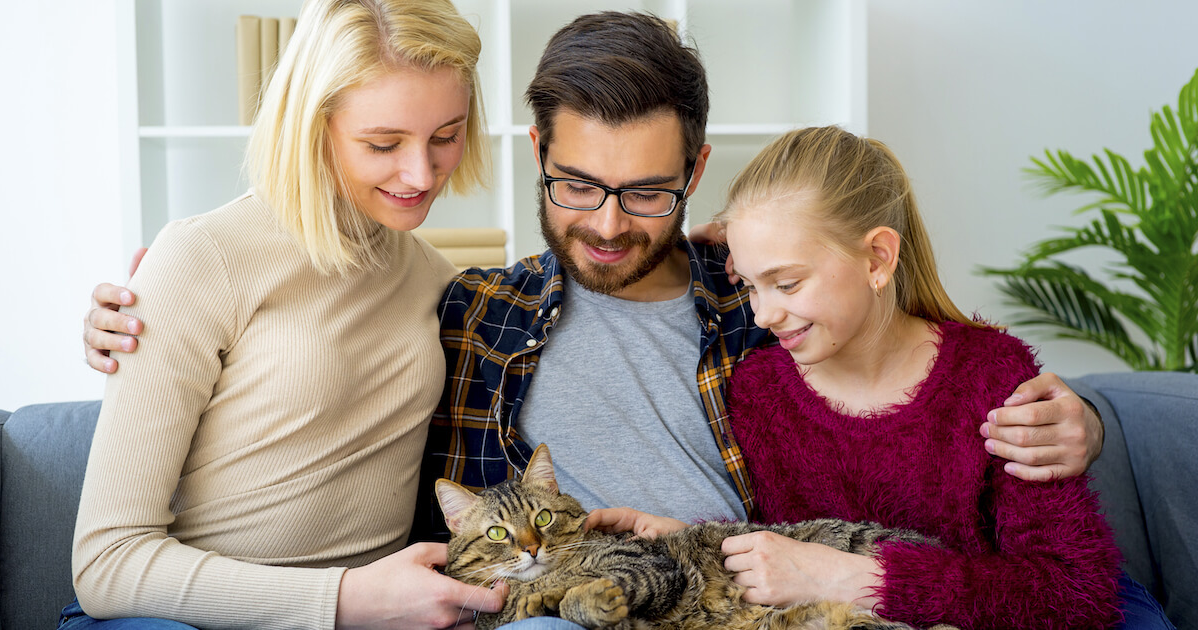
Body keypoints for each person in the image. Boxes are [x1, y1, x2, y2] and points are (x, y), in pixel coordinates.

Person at [82, 8, 1104, 624]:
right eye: (577, 184)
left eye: (649, 193)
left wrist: (1079, 415)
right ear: (534, 152)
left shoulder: (762, 309)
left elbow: (911, 360)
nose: (610, 226)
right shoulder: (467, 308)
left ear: (697, 172)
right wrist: (135, 315)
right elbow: (297, 339)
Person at [65, 1, 575, 629]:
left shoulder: (436, 281)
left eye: (446, 135)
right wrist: (344, 601)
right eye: (382, 143)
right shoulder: (201, 259)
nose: (421, 173)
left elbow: (569, 290)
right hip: (180, 618)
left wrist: (719, 255)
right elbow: (106, 565)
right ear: (312, 124)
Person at [595, 126, 1171, 629]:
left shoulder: (991, 376)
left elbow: (1073, 593)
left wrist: (856, 578)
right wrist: (684, 544)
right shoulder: (757, 392)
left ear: (877, 259)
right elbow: (783, 567)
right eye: (749, 285)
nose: (763, 316)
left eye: (787, 283)